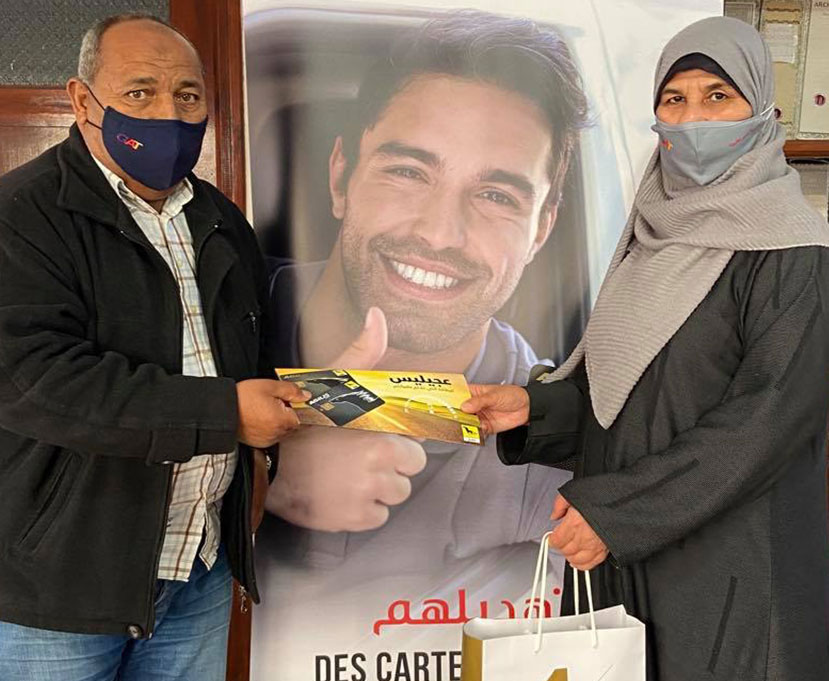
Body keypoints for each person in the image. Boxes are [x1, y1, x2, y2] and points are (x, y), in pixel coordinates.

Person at [462, 16, 829, 681]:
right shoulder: (648, 237)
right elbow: (627, 391)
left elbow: (766, 423)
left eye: (717, 96)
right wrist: (532, 408)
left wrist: (616, 513)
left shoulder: (793, 251)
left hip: (728, 575)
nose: (692, 119)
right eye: (674, 99)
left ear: (760, 108)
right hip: (624, 566)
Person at [252, 11, 586, 675]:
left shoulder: (556, 435)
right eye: (408, 171)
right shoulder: (210, 328)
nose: (439, 233)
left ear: (541, 229)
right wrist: (264, 484)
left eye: (496, 195)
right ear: (341, 176)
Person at [0, 14, 305, 681]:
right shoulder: (20, 216)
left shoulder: (221, 220)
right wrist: (226, 414)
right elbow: (32, 380)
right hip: (62, 587)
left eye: (187, 95)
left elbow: (251, 357)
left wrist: (262, 456)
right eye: (140, 92)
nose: (169, 113)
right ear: (83, 100)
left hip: (199, 566)